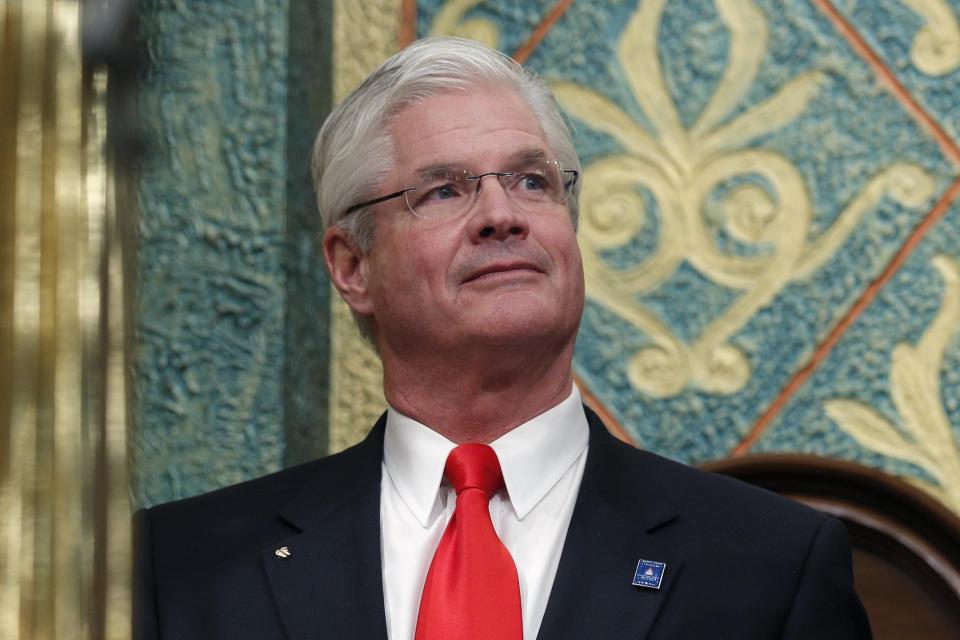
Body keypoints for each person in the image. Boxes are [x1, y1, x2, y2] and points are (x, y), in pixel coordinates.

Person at [133, 37, 872, 639]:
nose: (501, 215)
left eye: (531, 181)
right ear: (352, 265)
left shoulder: (769, 566)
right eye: (445, 190)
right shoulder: (186, 566)